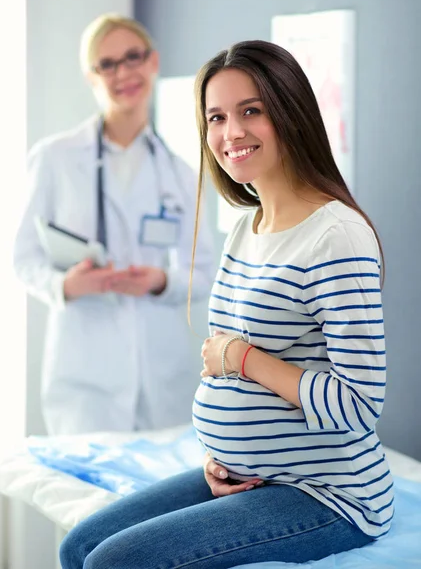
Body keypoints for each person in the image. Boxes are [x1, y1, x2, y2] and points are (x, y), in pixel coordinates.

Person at [59, 40, 393, 567]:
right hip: (242, 476)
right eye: (216, 117)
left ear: (290, 113)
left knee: (112, 562)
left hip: (326, 493)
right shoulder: (246, 226)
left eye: (250, 111)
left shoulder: (337, 237)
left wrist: (242, 359)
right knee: (76, 545)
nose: (230, 133)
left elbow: (358, 404)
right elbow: (223, 371)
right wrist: (221, 455)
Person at [13, 14, 214, 435]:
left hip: (161, 373)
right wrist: (66, 285)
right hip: (86, 377)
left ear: (153, 61)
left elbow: (205, 274)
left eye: (132, 58)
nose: (123, 73)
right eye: (107, 64)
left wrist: (161, 280)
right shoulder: (55, 158)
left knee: (163, 497)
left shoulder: (179, 172)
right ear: (91, 76)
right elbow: (24, 258)